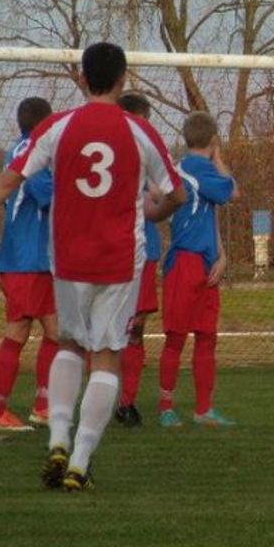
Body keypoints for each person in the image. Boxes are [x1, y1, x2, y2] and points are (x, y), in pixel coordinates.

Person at [0, 42, 185, 492]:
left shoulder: (57, 126)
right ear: (123, 78)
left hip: (68, 259)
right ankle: (80, 461)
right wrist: (154, 211)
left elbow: (9, 177)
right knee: (107, 356)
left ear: (82, 77)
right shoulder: (138, 129)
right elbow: (176, 194)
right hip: (118, 260)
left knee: (69, 345)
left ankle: (57, 438)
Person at [0, 97, 59, 432]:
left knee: (48, 330)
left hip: (29, 257)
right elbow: (50, 195)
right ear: (47, 123)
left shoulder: (17, 148)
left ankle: (42, 406)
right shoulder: (34, 152)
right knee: (33, 330)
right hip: (27, 259)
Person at [157, 111, 240, 426]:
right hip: (185, 261)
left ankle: (202, 409)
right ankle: (167, 408)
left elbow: (210, 214)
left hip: (205, 262)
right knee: (178, 337)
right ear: (213, 140)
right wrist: (219, 158)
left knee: (206, 336)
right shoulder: (199, 169)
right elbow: (233, 191)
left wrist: (221, 255)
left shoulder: (182, 168)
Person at [113, 92, 162, 427]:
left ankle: (126, 402)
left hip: (142, 252)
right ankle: (109, 398)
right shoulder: (117, 153)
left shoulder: (148, 155)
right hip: (119, 252)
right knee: (107, 330)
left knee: (134, 329)